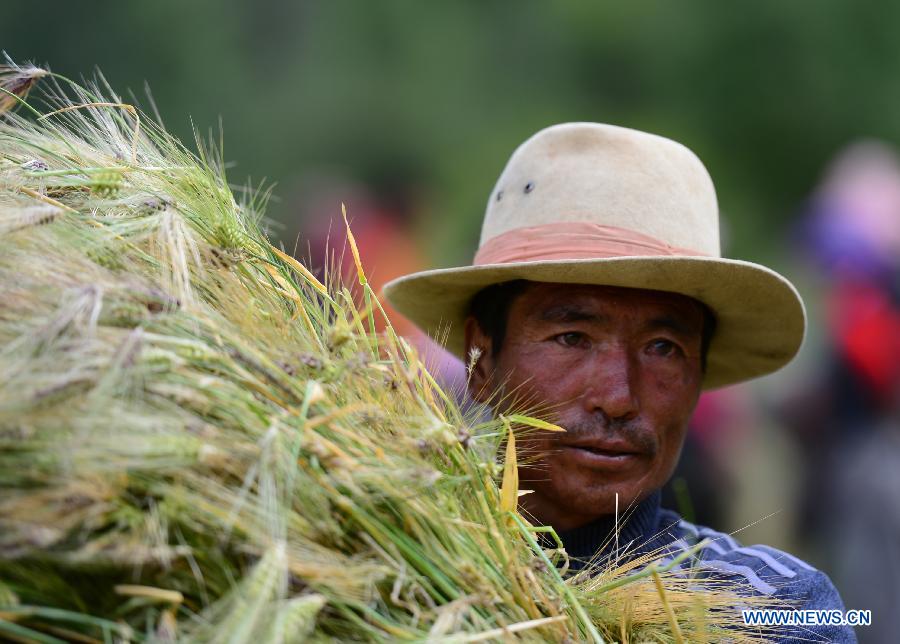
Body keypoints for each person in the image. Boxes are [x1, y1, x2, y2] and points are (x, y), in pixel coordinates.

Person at [383, 123, 858, 642]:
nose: (618, 398)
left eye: (663, 349)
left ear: (699, 377)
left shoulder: (775, 611)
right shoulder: (384, 571)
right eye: (571, 337)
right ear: (480, 361)